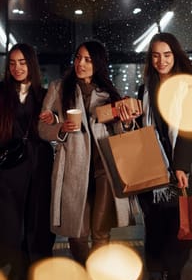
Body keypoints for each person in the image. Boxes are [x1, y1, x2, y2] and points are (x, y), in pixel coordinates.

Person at [39, 40, 136, 266]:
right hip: (73, 170)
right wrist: (60, 128)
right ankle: (84, 271)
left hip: (104, 171)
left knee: (101, 232)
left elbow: (120, 131)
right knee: (78, 234)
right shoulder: (58, 88)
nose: (80, 63)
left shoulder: (110, 93)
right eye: (78, 58)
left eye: (88, 59)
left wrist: (127, 122)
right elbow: (42, 129)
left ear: (98, 63)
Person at [136, 32, 192, 280]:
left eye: (166, 54)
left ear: (175, 56)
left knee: (179, 233)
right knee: (154, 231)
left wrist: (181, 166)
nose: (161, 60)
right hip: (152, 174)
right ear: (150, 59)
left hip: (182, 173)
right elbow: (140, 130)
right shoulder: (145, 89)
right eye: (155, 55)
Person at [0, 43, 55, 280]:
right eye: (12, 63)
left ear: (31, 64)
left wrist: (53, 120)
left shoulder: (44, 95)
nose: (17, 68)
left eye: (22, 62)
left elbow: (54, 130)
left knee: (38, 222)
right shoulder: (1, 93)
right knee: (10, 224)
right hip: (8, 169)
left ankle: (37, 272)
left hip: (39, 166)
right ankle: (18, 269)